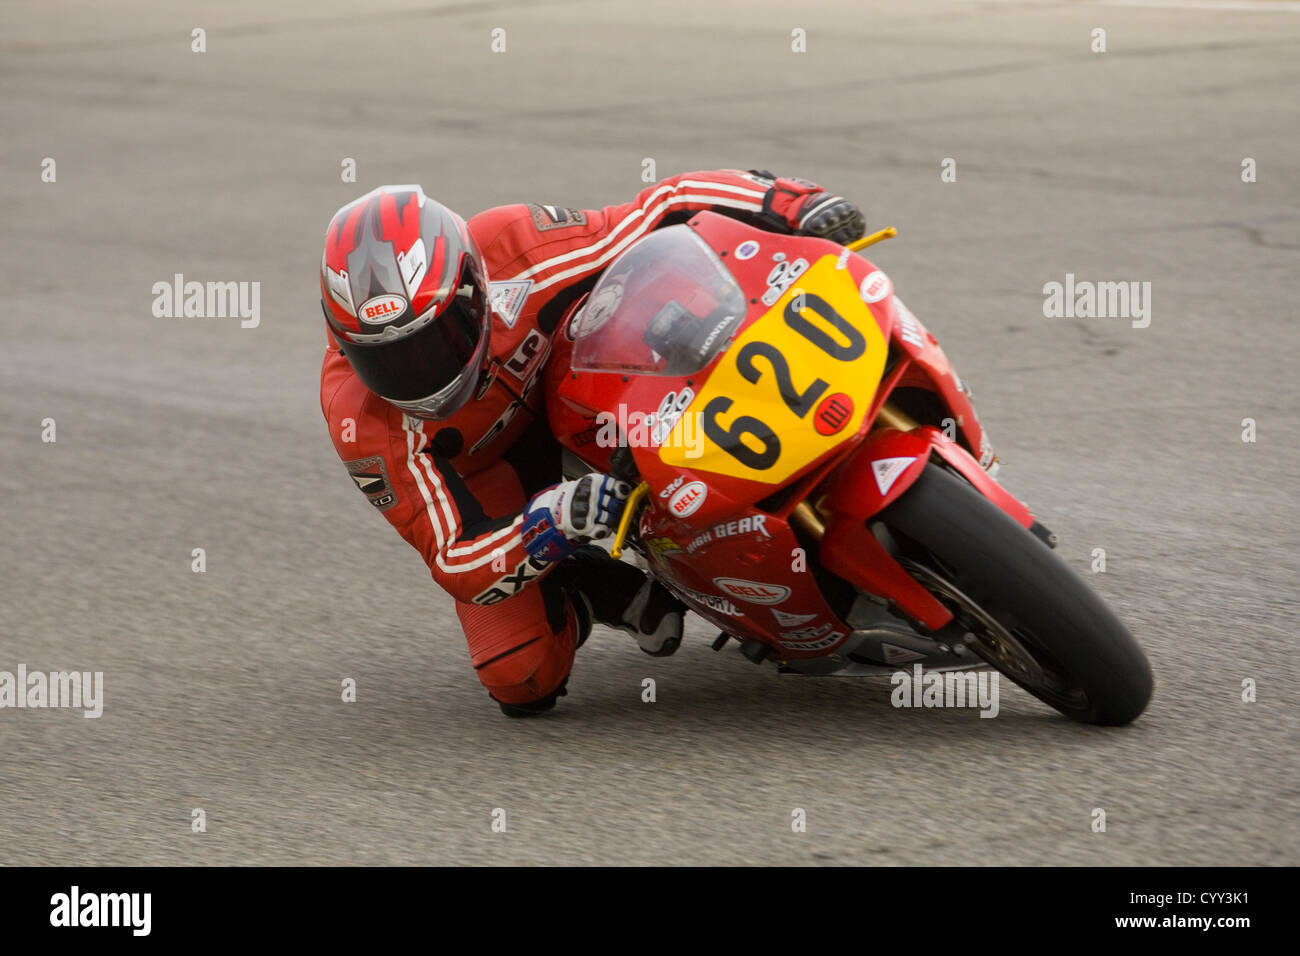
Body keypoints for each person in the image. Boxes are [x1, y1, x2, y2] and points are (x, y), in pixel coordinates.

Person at [318, 170, 865, 716]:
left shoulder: (519, 248)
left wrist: (790, 202)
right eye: (384, 361)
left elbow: (659, 209)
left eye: (435, 339)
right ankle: (587, 582)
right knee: (520, 673)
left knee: (669, 300)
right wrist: (551, 521)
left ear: (473, 287)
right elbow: (456, 557)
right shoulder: (361, 422)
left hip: (586, 389)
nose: (417, 375)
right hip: (492, 479)